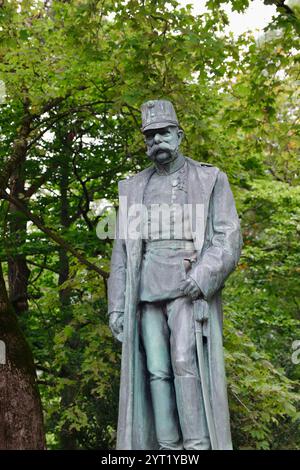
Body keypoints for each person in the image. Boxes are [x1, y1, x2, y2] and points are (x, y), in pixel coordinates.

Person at [107, 99, 242, 450]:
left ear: (179, 135)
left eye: (163, 133)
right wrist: (117, 307)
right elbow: (121, 252)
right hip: (146, 288)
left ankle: (197, 447)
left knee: (185, 361)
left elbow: (227, 237)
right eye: (150, 137)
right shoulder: (134, 187)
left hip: (188, 284)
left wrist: (202, 276)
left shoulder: (209, 178)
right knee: (156, 370)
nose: (157, 142)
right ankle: (166, 449)